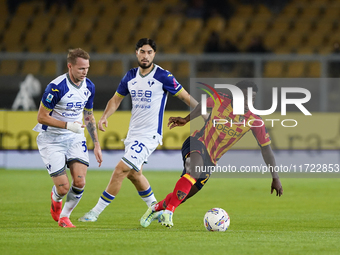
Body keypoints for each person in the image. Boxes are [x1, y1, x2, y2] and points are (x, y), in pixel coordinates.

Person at [78, 38, 198, 222]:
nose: (145, 55)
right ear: (136, 53)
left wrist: (193, 115)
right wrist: (104, 117)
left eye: (149, 52)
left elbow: (187, 98)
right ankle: (156, 209)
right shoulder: (130, 76)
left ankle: (95, 212)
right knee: (134, 174)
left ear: (154, 54)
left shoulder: (163, 76)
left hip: (150, 135)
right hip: (133, 134)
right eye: (142, 51)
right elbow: (116, 99)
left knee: (120, 169)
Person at [140, 80, 283, 228]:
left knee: (185, 194)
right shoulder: (220, 99)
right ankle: (169, 212)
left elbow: (266, 149)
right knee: (194, 171)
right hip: (197, 141)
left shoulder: (254, 120)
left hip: (212, 159)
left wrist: (275, 177)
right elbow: (202, 105)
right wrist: (186, 119)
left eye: (252, 99)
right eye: (245, 97)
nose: (248, 102)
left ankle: (155, 208)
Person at [33, 48, 103, 228]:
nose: (85, 72)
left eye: (87, 68)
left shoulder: (90, 86)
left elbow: (88, 114)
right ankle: (56, 198)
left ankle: (65, 216)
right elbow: (41, 117)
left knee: (79, 181)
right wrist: (67, 125)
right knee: (63, 187)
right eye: (81, 68)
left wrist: (96, 143)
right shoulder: (56, 87)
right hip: (52, 139)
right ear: (70, 66)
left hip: (75, 138)